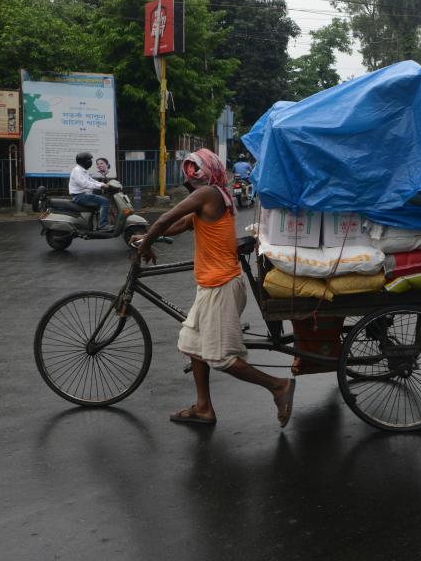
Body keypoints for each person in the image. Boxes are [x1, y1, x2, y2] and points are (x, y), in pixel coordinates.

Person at [132, 149, 296, 427]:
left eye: (195, 172)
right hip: (211, 285)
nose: (190, 179)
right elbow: (179, 224)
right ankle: (203, 407)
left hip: (221, 285)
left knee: (221, 357)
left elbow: (164, 219)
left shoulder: (208, 193)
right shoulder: (213, 196)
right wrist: (145, 238)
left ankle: (278, 386)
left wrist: (147, 243)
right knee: (193, 345)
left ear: (207, 173)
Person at [69, 152, 111, 230]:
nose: (90, 162)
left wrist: (103, 184)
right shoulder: (77, 170)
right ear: (84, 161)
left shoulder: (83, 170)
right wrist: (101, 186)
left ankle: (97, 223)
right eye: (89, 160)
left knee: (101, 201)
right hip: (80, 196)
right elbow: (84, 184)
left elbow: (91, 180)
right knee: (105, 202)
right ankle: (103, 225)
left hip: (84, 195)